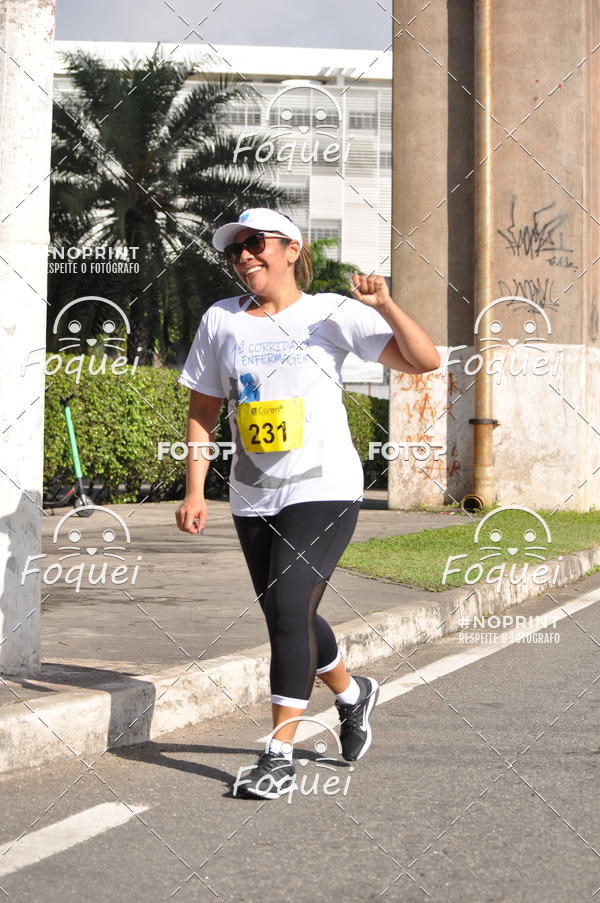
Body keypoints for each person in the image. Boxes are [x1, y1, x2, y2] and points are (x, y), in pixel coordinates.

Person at [175, 207, 440, 799]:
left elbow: (425, 361)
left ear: (291, 250)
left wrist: (385, 305)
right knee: (286, 612)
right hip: (253, 494)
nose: (244, 256)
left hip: (324, 488)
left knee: (290, 604)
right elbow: (203, 409)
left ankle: (278, 755)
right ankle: (352, 693)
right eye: (235, 249)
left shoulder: (330, 312)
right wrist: (195, 490)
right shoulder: (221, 320)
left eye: (256, 243)